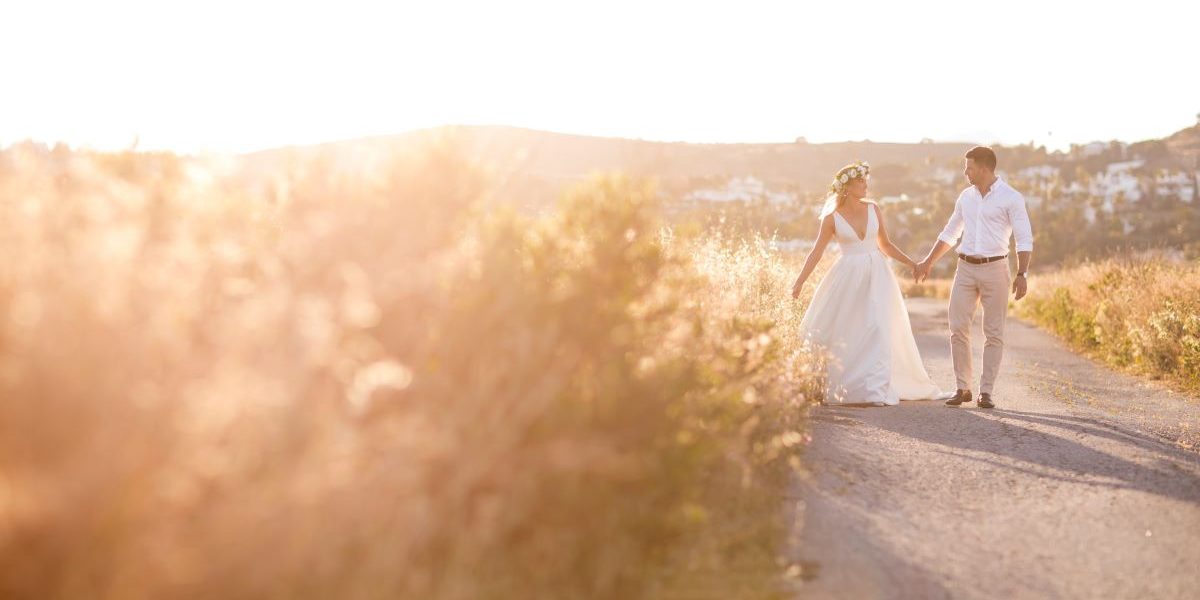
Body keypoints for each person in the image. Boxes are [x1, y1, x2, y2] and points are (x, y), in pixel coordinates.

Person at [791, 161, 952, 406]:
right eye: (861, 181)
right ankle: (851, 386)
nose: (866, 185)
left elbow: (885, 245)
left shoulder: (874, 208)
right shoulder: (831, 218)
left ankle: (874, 389)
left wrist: (913, 264)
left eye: (866, 180)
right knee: (852, 328)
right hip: (847, 276)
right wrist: (799, 281)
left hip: (878, 274)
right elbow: (816, 252)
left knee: (878, 325)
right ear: (846, 187)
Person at [915, 146, 1034, 410]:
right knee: (957, 327)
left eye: (968, 167)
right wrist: (927, 262)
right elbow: (950, 233)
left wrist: (1022, 273)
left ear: (984, 168)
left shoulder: (1011, 198)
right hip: (965, 268)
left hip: (996, 268)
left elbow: (1024, 238)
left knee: (993, 333)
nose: (965, 172)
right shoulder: (965, 198)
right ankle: (962, 388)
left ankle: (986, 392)